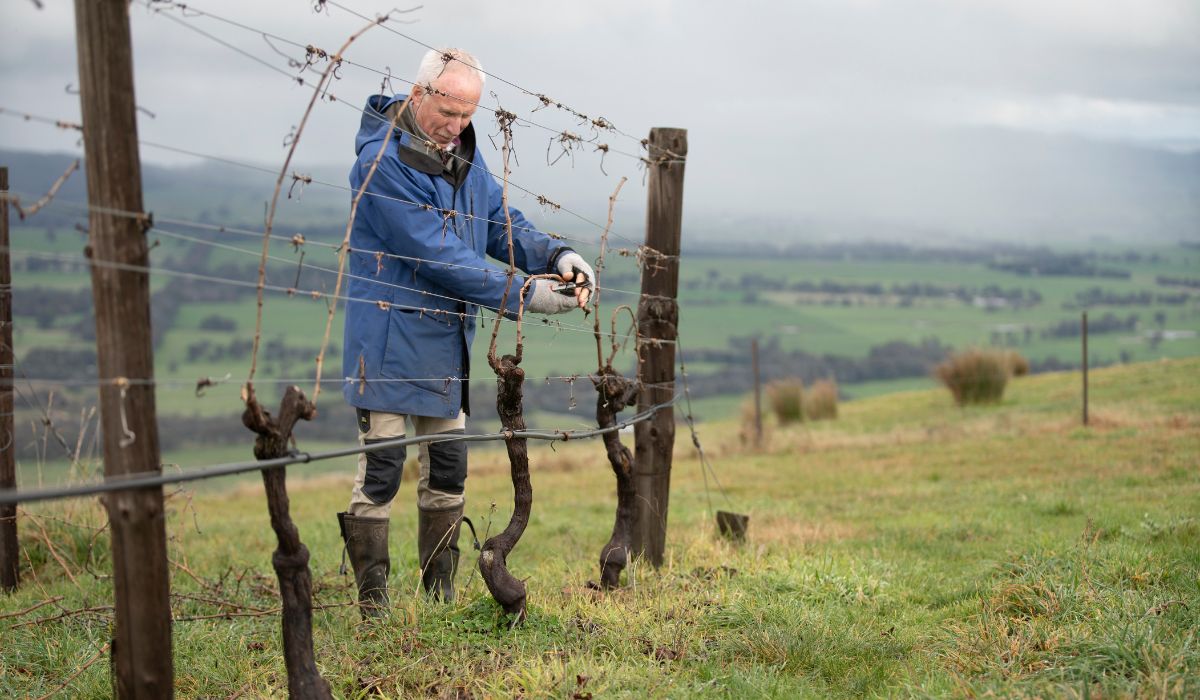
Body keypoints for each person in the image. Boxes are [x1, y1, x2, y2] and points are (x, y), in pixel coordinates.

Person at [336, 48, 595, 617]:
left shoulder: (462, 158)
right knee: (381, 472)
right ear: (418, 93)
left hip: (446, 344)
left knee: (449, 469)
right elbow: (439, 253)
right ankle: (374, 608)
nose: (456, 128)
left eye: (467, 115)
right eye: (447, 113)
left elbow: (501, 225)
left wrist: (559, 253)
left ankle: (438, 598)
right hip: (384, 346)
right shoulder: (380, 164)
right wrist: (526, 294)